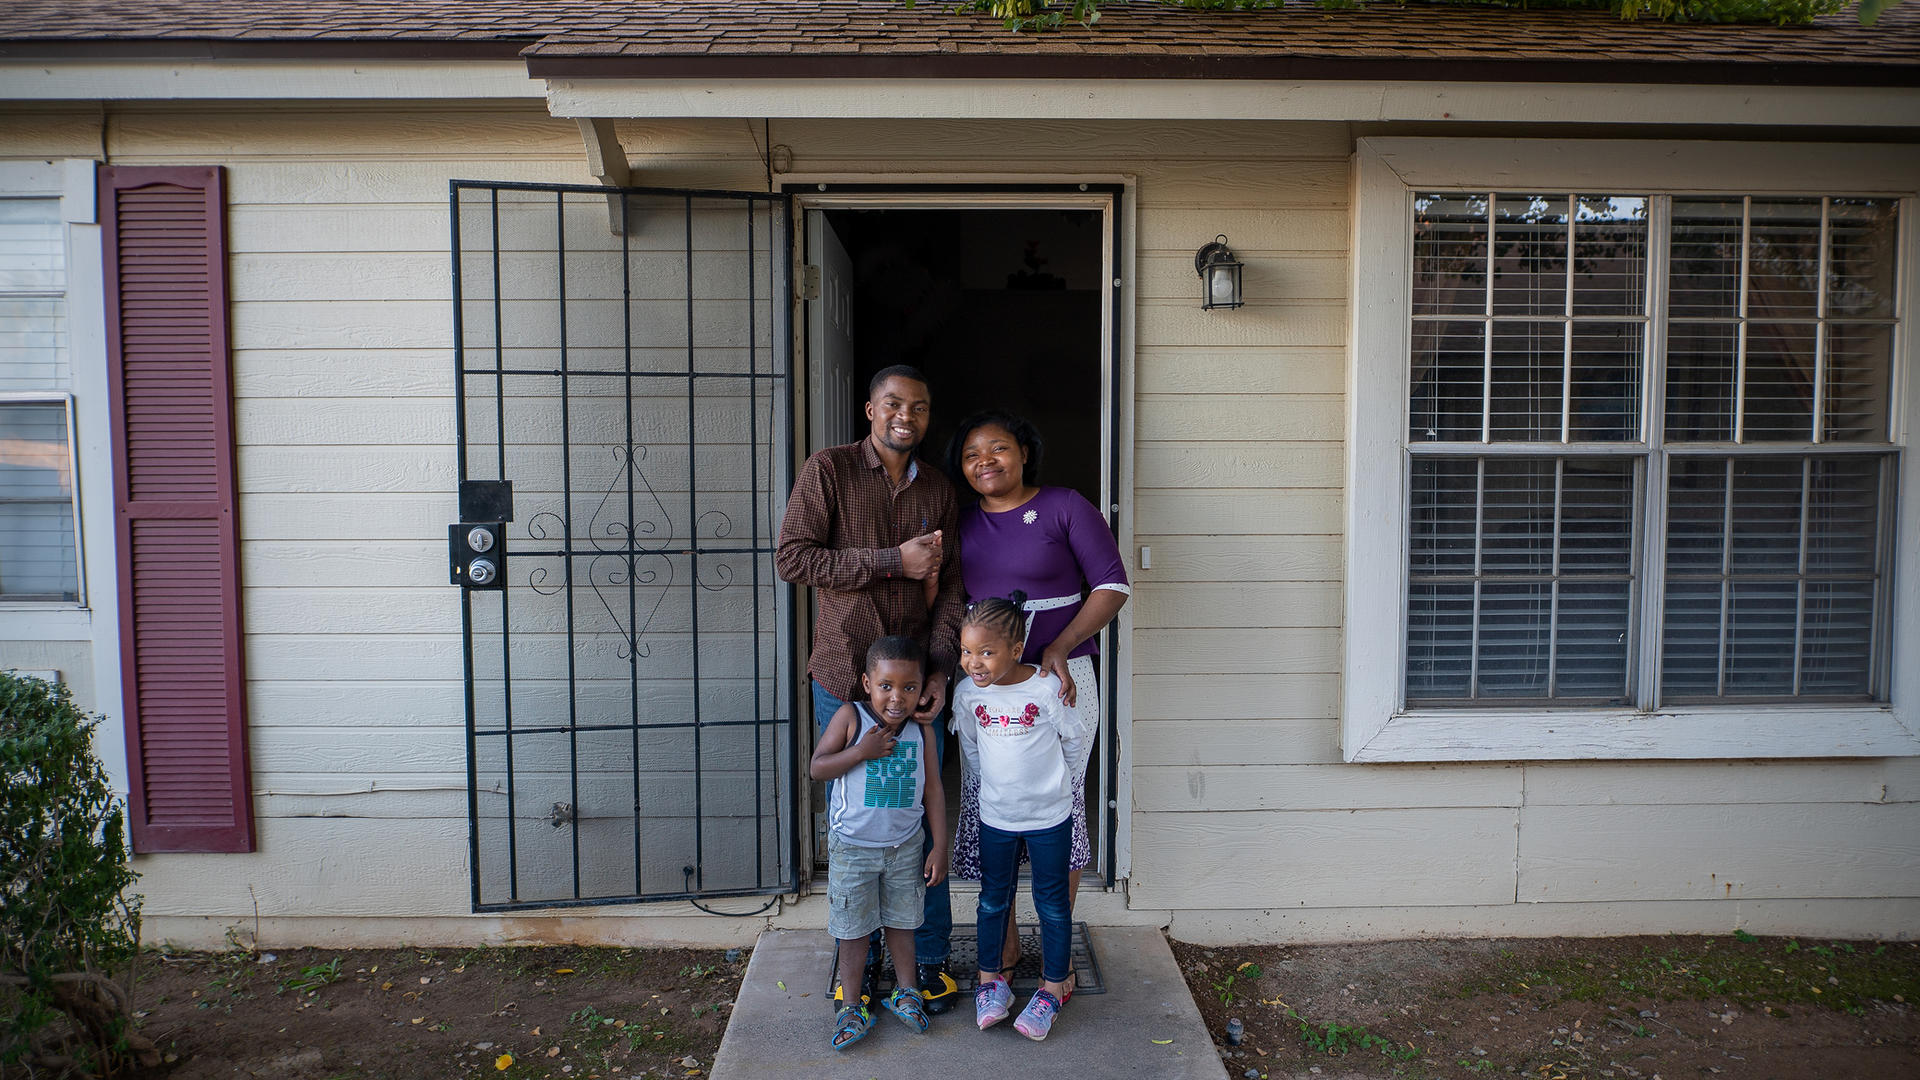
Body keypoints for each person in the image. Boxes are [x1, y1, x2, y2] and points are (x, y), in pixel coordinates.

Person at [774, 364, 966, 1011]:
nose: (905, 416)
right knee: (854, 821)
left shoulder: (937, 490)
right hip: (843, 678)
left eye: (918, 406)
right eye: (892, 404)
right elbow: (793, 557)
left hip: (912, 689)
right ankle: (854, 955)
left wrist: (941, 668)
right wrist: (892, 560)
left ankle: (929, 960)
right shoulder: (829, 470)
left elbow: (955, 588)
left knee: (917, 814)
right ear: (869, 410)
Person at [943, 411, 1130, 975]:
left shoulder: (1065, 505)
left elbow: (1112, 585)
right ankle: (1001, 949)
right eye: (972, 454)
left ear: (1024, 452)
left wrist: (1062, 645)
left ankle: (1055, 949)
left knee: (1060, 799)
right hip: (986, 686)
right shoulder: (961, 524)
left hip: (1064, 678)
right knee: (987, 797)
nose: (985, 462)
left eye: (998, 449)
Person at [953, 596, 1094, 1042]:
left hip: (1050, 816)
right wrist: (998, 791)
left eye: (986, 652)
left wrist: (1052, 788)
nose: (974, 663)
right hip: (997, 817)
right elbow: (972, 751)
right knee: (994, 899)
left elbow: (1072, 741)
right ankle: (990, 982)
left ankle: (1051, 989)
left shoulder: (1046, 689)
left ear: (1016, 650)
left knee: (1051, 904)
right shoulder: (968, 694)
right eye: (966, 651)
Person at [809, 636, 950, 1050]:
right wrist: (861, 752)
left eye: (909, 688)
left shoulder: (920, 730)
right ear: (867, 683)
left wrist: (939, 846)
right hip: (853, 848)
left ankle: (906, 991)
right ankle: (852, 1005)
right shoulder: (851, 717)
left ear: (922, 687)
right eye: (886, 686)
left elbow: (934, 792)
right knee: (853, 931)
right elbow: (818, 767)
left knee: (903, 922)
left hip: (905, 846)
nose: (897, 698)